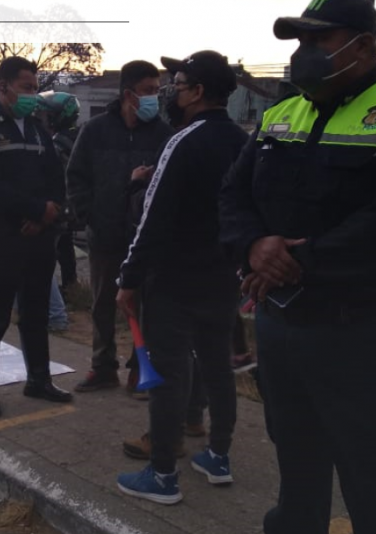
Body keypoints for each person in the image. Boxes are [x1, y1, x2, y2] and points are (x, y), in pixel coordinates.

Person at [218, 1, 376, 532]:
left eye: (320, 41)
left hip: (365, 335)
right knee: (297, 460)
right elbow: (233, 195)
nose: (305, 55)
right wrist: (254, 244)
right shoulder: (282, 113)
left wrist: (299, 261)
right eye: (300, 43)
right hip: (284, 326)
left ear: (365, 48)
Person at [114, 50, 247, 505]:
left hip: (174, 280)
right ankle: (218, 456)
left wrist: (128, 278)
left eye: (180, 83)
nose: (172, 91)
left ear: (199, 93)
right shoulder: (242, 142)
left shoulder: (184, 141)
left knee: (168, 375)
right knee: (216, 367)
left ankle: (163, 473)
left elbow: (153, 217)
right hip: (222, 279)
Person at [0, 56, 72, 418]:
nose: (32, 94)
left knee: (36, 310)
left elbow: (57, 179)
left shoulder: (39, 129)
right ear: (3, 87)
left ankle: (38, 379)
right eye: (26, 88)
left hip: (39, 236)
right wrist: (36, 210)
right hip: (4, 235)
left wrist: (47, 214)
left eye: (35, 87)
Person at [67, 60, 175, 394]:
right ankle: (103, 366)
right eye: (147, 92)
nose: (153, 99)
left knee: (144, 304)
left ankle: (138, 367)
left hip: (146, 240)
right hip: (105, 235)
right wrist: (90, 216)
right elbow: (76, 176)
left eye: (157, 91)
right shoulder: (95, 130)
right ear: (128, 94)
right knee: (102, 302)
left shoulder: (163, 134)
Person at [37, 90, 82, 292]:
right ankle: (71, 285)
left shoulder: (57, 144)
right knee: (66, 246)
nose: (42, 119)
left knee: (47, 250)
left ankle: (48, 292)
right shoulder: (78, 136)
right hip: (72, 202)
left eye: (46, 115)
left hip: (59, 203)